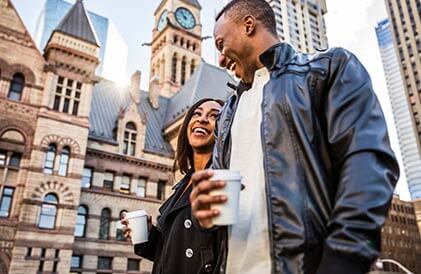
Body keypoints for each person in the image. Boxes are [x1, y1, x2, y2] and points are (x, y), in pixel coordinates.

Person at [189, 1, 400, 274]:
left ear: (248, 25)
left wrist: (343, 260)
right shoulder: (227, 111)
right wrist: (207, 211)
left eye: (220, 44)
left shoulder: (329, 69)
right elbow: (219, 200)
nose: (219, 58)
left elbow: (368, 162)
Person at [122, 98, 224, 274]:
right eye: (197, 114)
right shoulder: (182, 185)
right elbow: (169, 253)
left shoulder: (221, 180)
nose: (202, 119)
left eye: (214, 116)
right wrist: (147, 235)